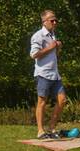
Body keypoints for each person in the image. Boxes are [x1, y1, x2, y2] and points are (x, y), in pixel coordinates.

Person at [30, 10, 66, 139]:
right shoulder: (38, 36)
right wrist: (50, 48)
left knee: (62, 100)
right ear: (44, 22)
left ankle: (51, 128)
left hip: (55, 74)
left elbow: (54, 55)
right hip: (43, 74)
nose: (55, 22)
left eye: (56, 20)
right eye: (52, 20)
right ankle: (40, 131)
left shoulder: (53, 35)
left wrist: (58, 48)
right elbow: (34, 55)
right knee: (42, 102)